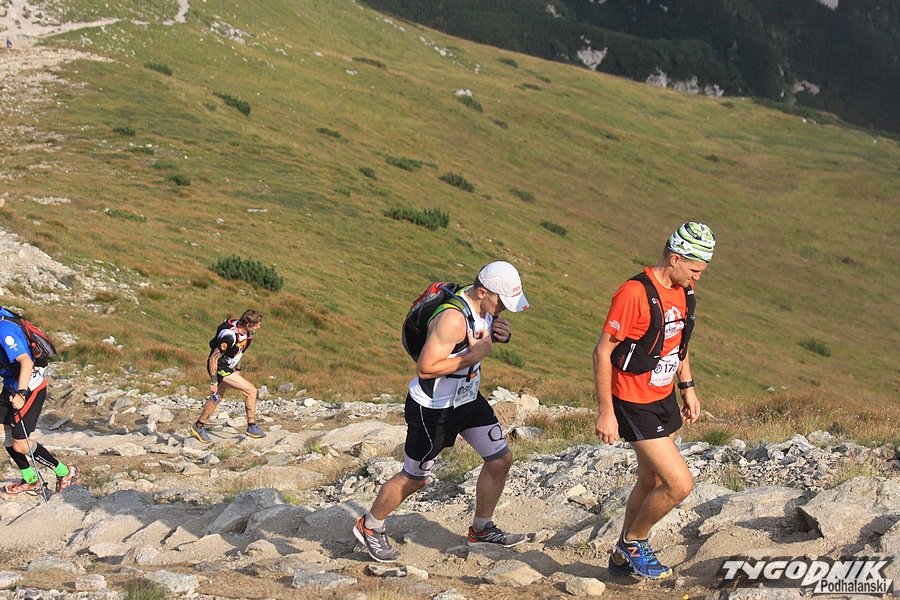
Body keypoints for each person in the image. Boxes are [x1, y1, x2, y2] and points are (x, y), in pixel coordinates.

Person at [353, 261, 530, 562]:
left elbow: (479, 334)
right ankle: (370, 525)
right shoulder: (452, 319)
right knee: (416, 478)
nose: (504, 308)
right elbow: (425, 368)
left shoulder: (484, 306)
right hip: (432, 409)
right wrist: (473, 356)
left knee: (500, 459)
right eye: (501, 301)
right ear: (483, 292)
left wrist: (500, 333)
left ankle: (482, 528)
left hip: (467, 400)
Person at [593, 222, 716, 579]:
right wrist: (606, 412)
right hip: (632, 401)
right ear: (675, 258)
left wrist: (687, 386)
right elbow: (602, 353)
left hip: (663, 396)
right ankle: (634, 542)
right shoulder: (634, 293)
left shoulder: (684, 289)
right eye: (694, 269)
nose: (697, 278)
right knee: (679, 484)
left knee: (652, 482)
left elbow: (677, 343)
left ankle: (621, 559)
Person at [0, 314, 79, 495]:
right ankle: (31, 480)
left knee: (20, 445)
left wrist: (21, 394)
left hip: (29, 387)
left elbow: (26, 362)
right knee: (3, 434)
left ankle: (65, 472)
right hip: (11, 385)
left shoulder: (4, 330)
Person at [190, 309, 265, 442]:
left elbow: (239, 352)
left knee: (217, 397)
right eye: (257, 324)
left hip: (228, 367)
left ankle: (198, 426)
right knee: (251, 391)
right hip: (219, 368)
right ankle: (251, 426)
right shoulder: (230, 337)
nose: (259, 327)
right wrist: (213, 381)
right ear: (248, 325)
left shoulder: (247, 335)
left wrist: (238, 369)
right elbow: (213, 358)